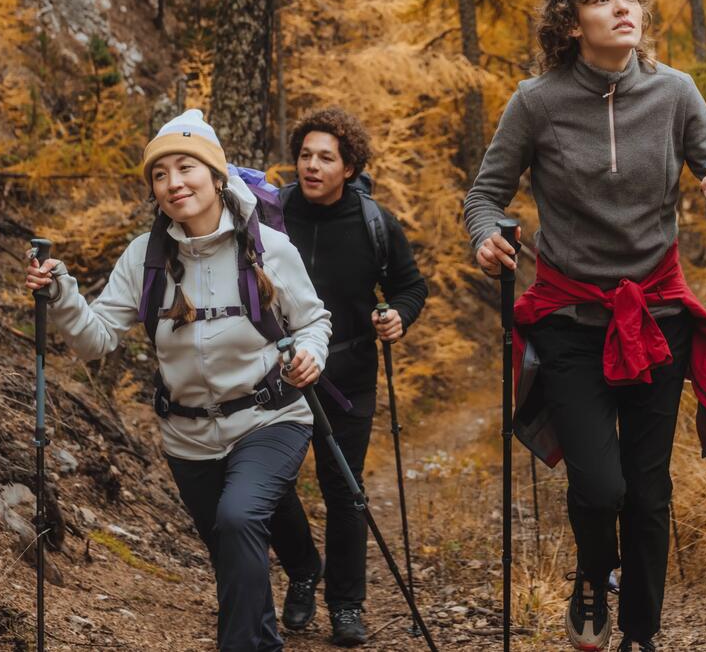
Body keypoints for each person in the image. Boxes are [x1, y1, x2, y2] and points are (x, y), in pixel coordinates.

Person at [462, 0, 706, 652]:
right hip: (570, 323)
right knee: (599, 488)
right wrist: (487, 236)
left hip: (657, 317)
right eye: (602, 0)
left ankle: (640, 635)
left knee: (649, 492)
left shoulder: (675, 92)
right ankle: (593, 574)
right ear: (571, 24)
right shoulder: (536, 102)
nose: (624, 9)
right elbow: (485, 196)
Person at [24, 110, 331, 652]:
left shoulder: (268, 248)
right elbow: (97, 339)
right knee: (230, 553)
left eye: (186, 167)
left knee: (238, 520)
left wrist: (309, 354)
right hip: (188, 438)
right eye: (160, 174)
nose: (173, 183)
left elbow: (313, 321)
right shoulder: (144, 258)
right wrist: (62, 294)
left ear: (216, 176)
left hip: (271, 418)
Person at [268, 109, 429, 646]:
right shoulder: (271, 214)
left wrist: (397, 315)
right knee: (271, 484)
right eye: (304, 155)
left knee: (344, 489)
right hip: (276, 373)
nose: (311, 166)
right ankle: (302, 571)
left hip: (348, 374)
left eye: (325, 158)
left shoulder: (373, 222)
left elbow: (410, 286)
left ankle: (345, 605)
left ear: (350, 167)